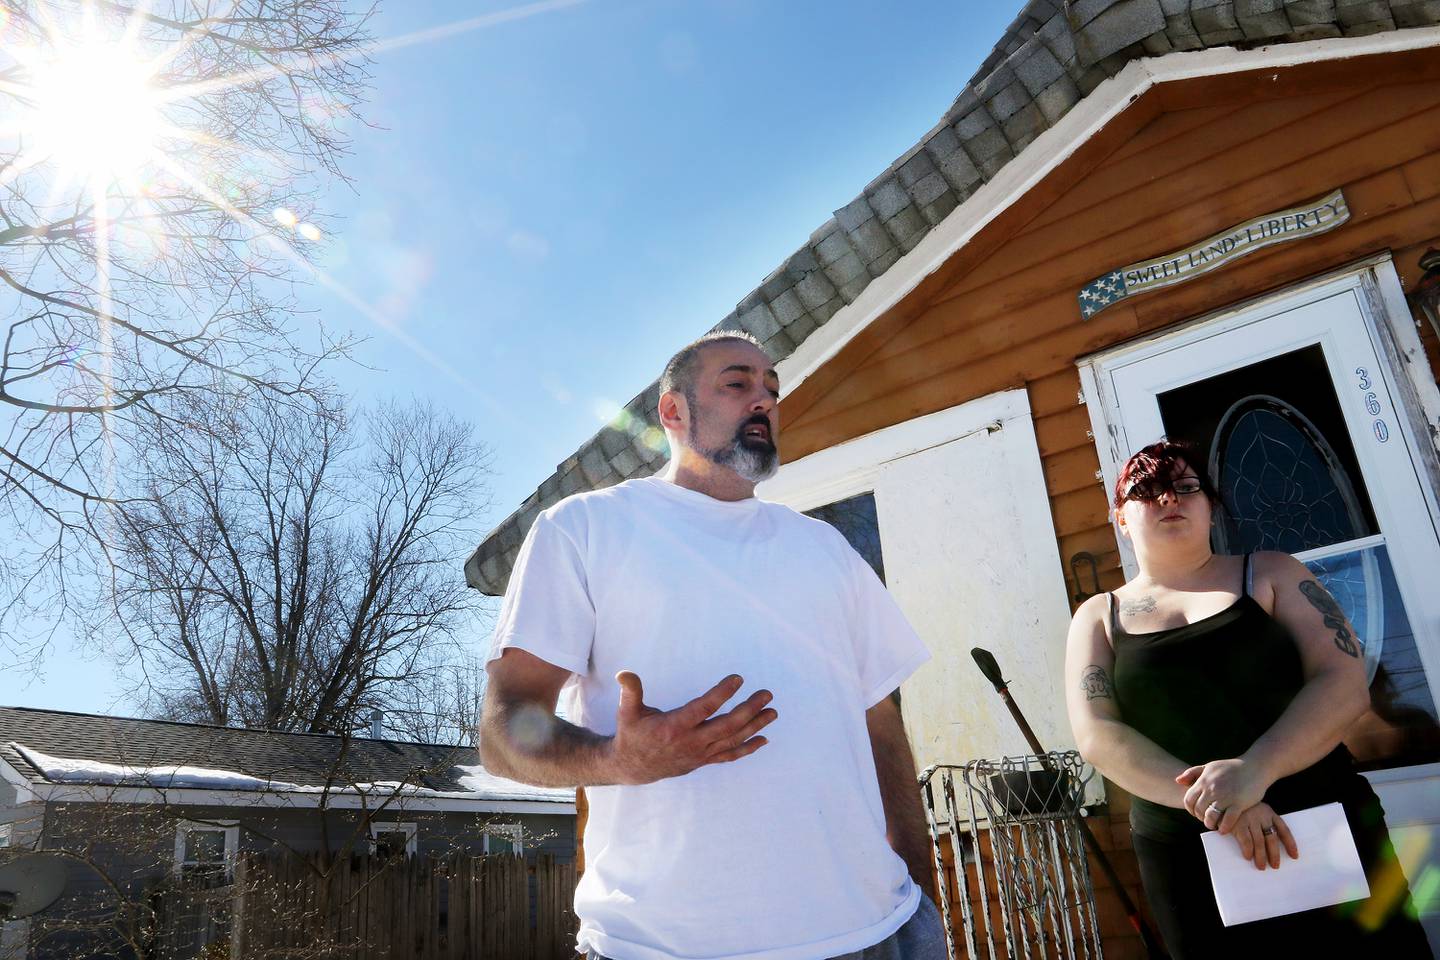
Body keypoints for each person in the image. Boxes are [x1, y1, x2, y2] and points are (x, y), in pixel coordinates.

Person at [479, 331, 946, 960]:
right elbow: (503, 734)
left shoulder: (826, 549)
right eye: (738, 383)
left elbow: (881, 724)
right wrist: (622, 759)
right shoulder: (584, 530)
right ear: (672, 412)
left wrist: (922, 895)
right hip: (663, 948)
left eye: (772, 390)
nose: (764, 401)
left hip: (877, 936)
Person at [1065, 440, 1429, 957]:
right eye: (1147, 489)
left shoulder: (1273, 573)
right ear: (1120, 517)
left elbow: (1342, 682)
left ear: (1210, 506)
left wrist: (1254, 771)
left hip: (1320, 822)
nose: (1170, 498)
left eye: (1186, 487)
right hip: (1185, 849)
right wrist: (1222, 805)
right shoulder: (1099, 617)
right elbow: (1098, 734)